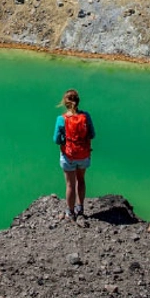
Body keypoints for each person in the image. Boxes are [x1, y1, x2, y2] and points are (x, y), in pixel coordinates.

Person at [53, 89, 95, 220]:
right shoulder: (86, 116)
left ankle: (70, 212)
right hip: (83, 155)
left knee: (70, 184)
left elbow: (56, 140)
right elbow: (92, 134)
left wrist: (65, 141)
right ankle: (80, 207)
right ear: (78, 101)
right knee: (81, 180)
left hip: (68, 156)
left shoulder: (61, 119)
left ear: (65, 103)